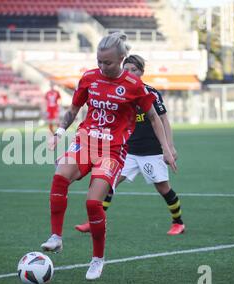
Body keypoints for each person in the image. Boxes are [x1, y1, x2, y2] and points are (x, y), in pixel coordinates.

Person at [40, 33, 176, 280]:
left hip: (112, 150)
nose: (102, 67)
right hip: (85, 141)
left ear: (121, 59)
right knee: (59, 177)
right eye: (99, 61)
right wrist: (59, 132)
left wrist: (166, 148)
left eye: (108, 63)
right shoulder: (89, 78)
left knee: (93, 203)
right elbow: (73, 110)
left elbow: (155, 118)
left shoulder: (135, 86)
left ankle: (97, 259)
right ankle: (56, 237)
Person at [74, 55, 184, 235]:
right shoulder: (119, 91)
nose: (130, 73)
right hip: (128, 151)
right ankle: (94, 221)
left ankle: (178, 222)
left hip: (151, 151)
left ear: (142, 72)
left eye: (135, 70)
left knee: (163, 188)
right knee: (108, 183)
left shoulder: (150, 93)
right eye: (127, 69)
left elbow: (163, 120)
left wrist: (169, 147)